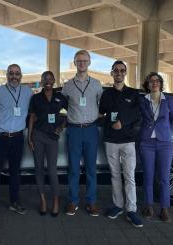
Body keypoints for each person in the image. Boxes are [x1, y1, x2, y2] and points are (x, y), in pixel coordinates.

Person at [0, 64, 33, 219]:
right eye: (11, 73)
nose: (14, 76)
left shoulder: (28, 92)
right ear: (6, 75)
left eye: (17, 73)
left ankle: (14, 202)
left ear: (21, 75)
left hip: (18, 138)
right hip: (0, 137)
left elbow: (35, 111)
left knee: (15, 172)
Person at [99, 60, 143, 227]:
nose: (118, 73)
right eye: (115, 70)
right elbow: (101, 112)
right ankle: (118, 206)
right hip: (110, 140)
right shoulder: (106, 94)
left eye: (122, 70)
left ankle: (131, 210)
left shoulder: (133, 94)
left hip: (128, 141)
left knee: (129, 176)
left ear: (125, 73)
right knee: (115, 175)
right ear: (112, 73)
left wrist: (122, 122)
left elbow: (138, 115)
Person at [62, 50, 103, 216]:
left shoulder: (97, 84)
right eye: (79, 61)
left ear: (89, 62)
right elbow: (63, 105)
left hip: (91, 130)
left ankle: (91, 202)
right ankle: (73, 201)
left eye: (85, 60)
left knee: (91, 169)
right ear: (75, 62)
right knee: (73, 168)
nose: (82, 63)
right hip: (74, 130)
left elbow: (103, 106)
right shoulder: (67, 86)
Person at [139, 72, 173, 222]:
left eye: (157, 81)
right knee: (148, 176)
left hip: (164, 144)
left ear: (161, 84)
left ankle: (164, 209)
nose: (154, 83)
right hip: (147, 143)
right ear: (147, 85)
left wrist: (165, 131)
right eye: (151, 81)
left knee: (163, 177)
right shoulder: (143, 100)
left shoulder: (169, 100)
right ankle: (148, 206)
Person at [28, 71, 68, 217]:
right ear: (41, 81)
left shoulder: (60, 97)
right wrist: (29, 138)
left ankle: (56, 200)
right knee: (39, 168)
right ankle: (43, 200)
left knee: (52, 169)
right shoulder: (36, 98)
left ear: (54, 80)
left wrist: (62, 126)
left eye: (51, 79)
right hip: (38, 135)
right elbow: (32, 117)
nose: (48, 81)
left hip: (52, 138)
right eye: (45, 79)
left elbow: (72, 113)